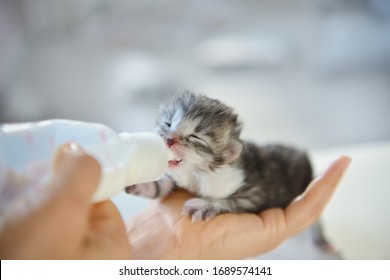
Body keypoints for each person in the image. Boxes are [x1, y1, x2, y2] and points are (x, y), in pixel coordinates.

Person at [0, 143, 351, 259]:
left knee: (310, 225)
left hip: (287, 172)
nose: (170, 143)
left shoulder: (235, 176)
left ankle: (318, 237)